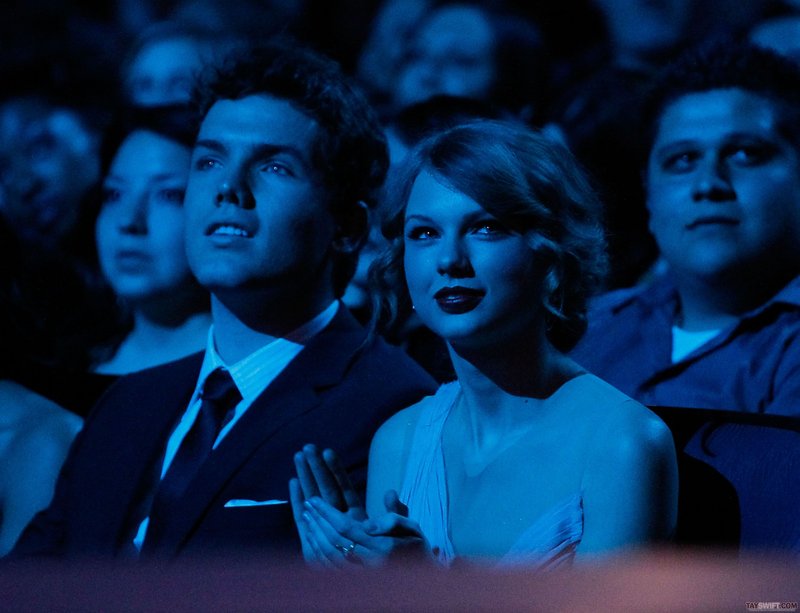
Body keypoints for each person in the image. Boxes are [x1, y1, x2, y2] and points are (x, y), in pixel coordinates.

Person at [10, 42, 435, 561]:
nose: (229, 187)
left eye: (274, 167)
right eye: (209, 160)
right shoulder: (128, 405)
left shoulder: (392, 407)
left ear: (346, 227)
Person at [291, 120, 678, 568]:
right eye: (424, 233)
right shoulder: (399, 441)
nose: (450, 260)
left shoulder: (623, 443)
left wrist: (424, 590)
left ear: (551, 253)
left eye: (486, 228)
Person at [570, 42, 800, 415]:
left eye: (745, 153)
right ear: (648, 194)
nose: (708, 183)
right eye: (683, 160)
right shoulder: (586, 328)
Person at [92, 106, 211, 374]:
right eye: (114, 194)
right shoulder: (71, 364)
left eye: (168, 195)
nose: (129, 221)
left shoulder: (247, 377)